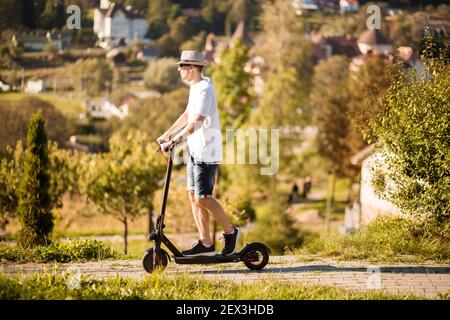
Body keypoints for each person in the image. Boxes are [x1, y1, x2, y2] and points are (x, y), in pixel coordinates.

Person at [157, 50, 240, 257]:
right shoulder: (195, 88)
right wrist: (167, 134)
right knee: (193, 196)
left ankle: (230, 232)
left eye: (182, 66)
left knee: (203, 197)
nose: (179, 69)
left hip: (206, 150)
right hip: (195, 149)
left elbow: (197, 122)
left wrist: (175, 140)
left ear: (192, 68)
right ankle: (206, 243)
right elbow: (187, 115)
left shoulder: (204, 89)